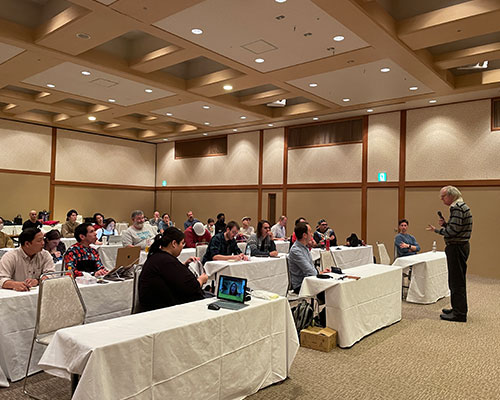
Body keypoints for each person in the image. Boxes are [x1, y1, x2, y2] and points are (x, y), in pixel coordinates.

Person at [427, 186, 472, 323]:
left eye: (443, 196)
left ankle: (459, 314)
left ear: (451, 196)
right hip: (460, 246)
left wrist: (438, 230)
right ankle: (457, 308)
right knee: (457, 279)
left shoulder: (457, 208)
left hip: (456, 247)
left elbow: (452, 232)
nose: (441, 199)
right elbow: (456, 228)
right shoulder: (461, 206)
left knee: (456, 281)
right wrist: (446, 224)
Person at [138, 227, 208, 312]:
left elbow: (172, 276)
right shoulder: (166, 261)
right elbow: (191, 287)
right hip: (162, 309)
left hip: (157, 305)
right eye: (182, 243)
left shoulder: (158, 257)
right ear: (174, 243)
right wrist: (201, 280)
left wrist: (184, 265)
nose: (183, 247)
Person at [288, 222, 329, 293]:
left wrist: (320, 272)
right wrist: (319, 273)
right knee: (330, 290)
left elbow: (311, 267)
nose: (312, 234)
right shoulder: (296, 251)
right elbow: (310, 271)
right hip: (301, 285)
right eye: (310, 232)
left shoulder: (305, 247)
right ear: (304, 235)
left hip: (308, 281)